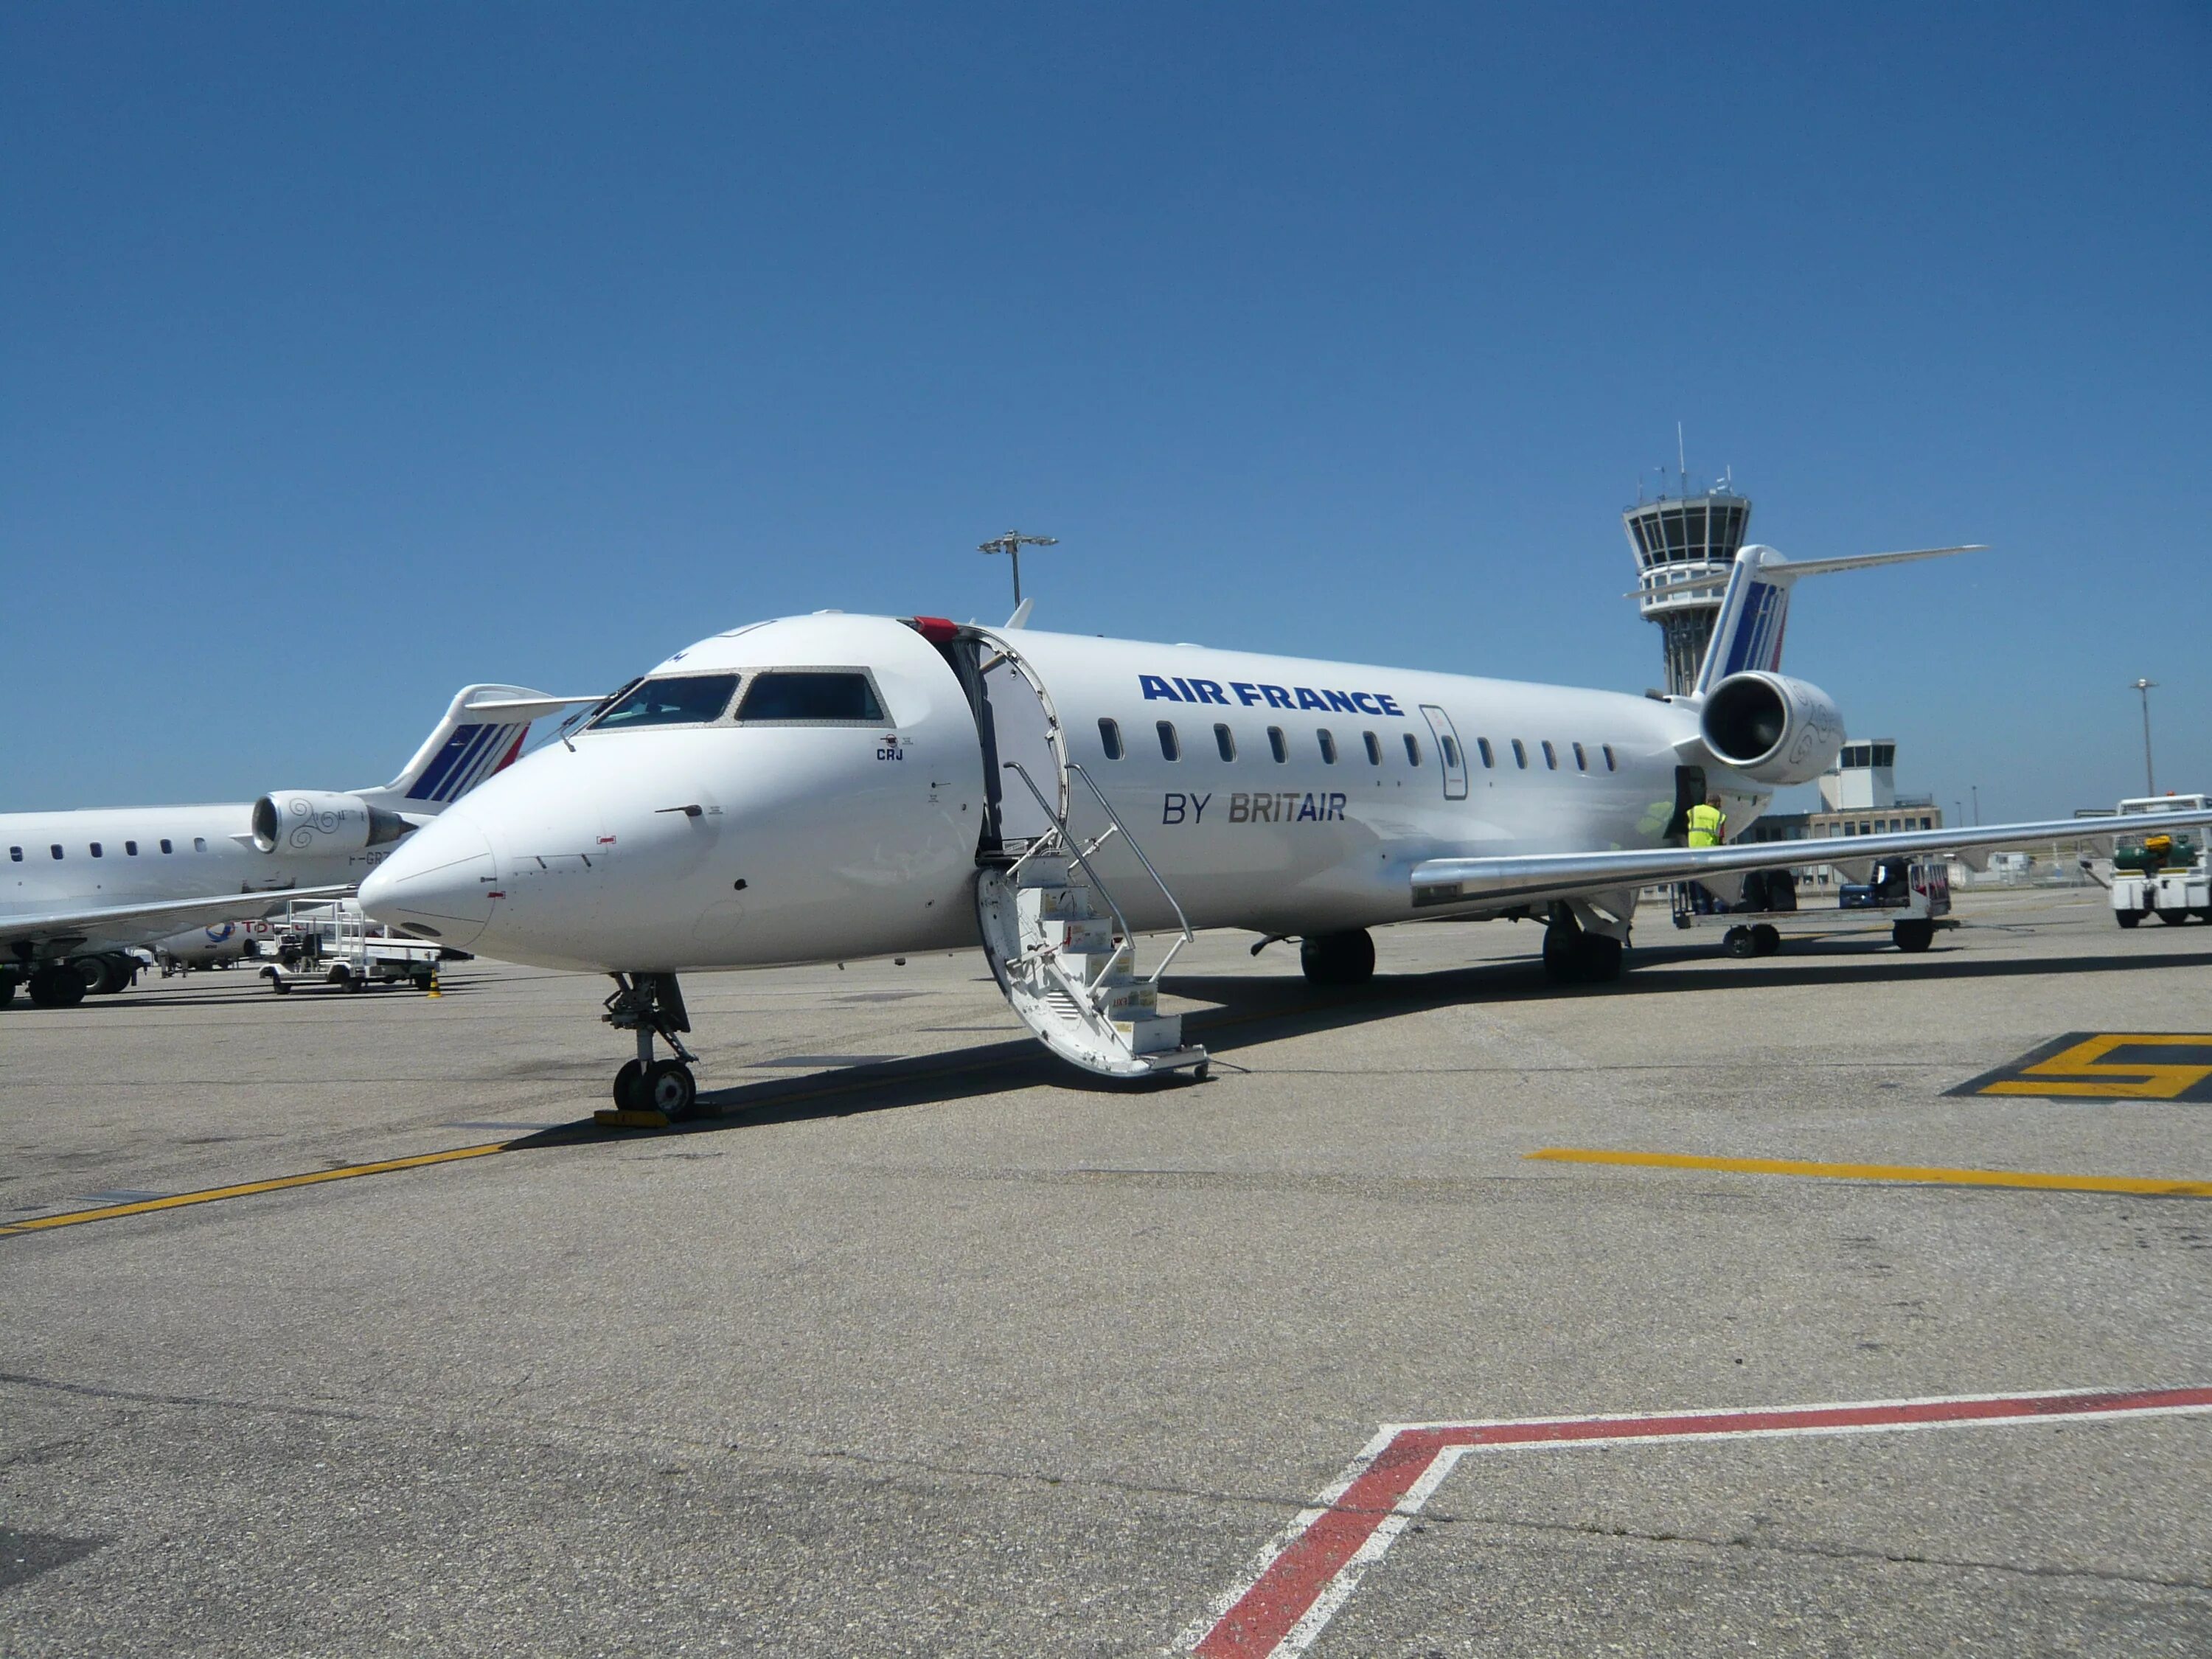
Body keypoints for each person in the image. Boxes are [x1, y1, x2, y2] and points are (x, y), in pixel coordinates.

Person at [1686, 794, 1726, 914]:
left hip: (1693, 852)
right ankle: (1710, 908)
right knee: (1710, 883)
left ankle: (1699, 908)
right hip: (1710, 853)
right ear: (1718, 804)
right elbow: (1720, 837)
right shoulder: (1719, 816)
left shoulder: (1694, 811)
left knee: (1696, 881)